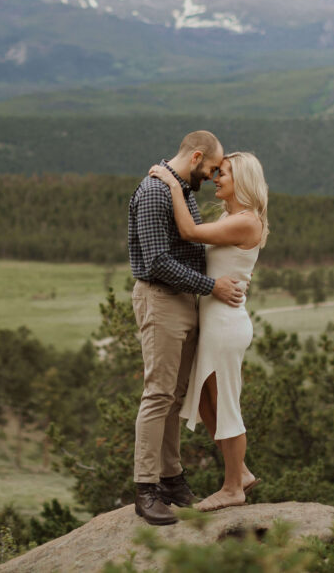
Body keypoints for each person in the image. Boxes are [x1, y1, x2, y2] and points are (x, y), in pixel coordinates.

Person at [127, 130, 245, 526]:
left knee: (176, 395)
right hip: (161, 299)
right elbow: (158, 261)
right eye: (212, 168)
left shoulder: (177, 189)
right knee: (158, 393)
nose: (213, 176)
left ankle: (172, 477)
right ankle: (146, 489)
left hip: (183, 301)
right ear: (196, 157)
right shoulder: (155, 191)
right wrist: (212, 285)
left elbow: (192, 243)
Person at [149, 151, 268, 512]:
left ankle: (233, 487)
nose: (217, 178)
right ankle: (241, 471)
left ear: (243, 180)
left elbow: (189, 231)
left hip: (226, 324)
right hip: (216, 321)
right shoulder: (232, 217)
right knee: (203, 399)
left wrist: (172, 182)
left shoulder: (247, 221)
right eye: (216, 172)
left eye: (224, 173)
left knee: (226, 404)